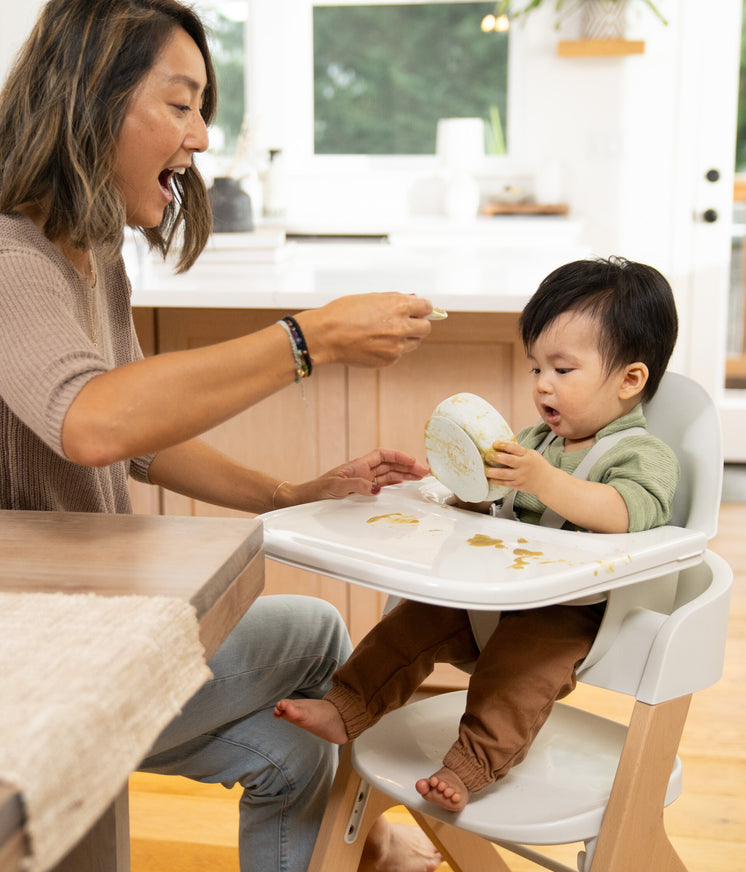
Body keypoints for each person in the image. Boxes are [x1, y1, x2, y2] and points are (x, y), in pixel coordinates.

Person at [0, 2, 443, 870]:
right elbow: (92, 423)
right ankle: (377, 847)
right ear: (93, 94)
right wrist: (308, 340)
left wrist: (293, 493)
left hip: (92, 620)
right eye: (181, 104)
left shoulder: (90, 252)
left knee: (293, 755)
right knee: (317, 633)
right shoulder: (10, 261)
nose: (202, 137)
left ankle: (366, 844)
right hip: (33, 655)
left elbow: (140, 435)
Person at [275, 256, 681, 812]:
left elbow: (630, 513)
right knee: (412, 619)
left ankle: (472, 763)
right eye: (535, 368)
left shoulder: (642, 453)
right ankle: (347, 703)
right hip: (494, 591)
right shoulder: (534, 439)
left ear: (630, 380)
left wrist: (546, 480)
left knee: (520, 673)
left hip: (571, 610)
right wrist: (464, 484)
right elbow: (498, 508)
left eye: (563, 370)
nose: (542, 386)